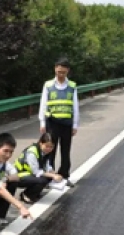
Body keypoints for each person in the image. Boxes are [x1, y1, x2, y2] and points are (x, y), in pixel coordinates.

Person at [38, 57, 79, 187]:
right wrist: (42, 123)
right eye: (59, 71)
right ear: (55, 69)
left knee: (65, 151)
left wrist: (75, 124)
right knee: (50, 150)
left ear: (68, 71)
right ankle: (50, 175)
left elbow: (75, 107)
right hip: (52, 122)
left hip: (67, 123)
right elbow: (43, 104)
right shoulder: (48, 85)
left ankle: (64, 175)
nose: (61, 74)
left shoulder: (72, 86)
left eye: (63, 72)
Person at [14, 132, 63, 203]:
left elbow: (47, 167)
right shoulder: (32, 152)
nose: (49, 149)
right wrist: (53, 175)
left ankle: (34, 193)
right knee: (43, 180)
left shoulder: (44, 152)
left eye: (51, 147)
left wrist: (56, 174)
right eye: (47, 146)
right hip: (18, 176)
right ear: (41, 143)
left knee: (49, 177)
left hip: (28, 174)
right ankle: (26, 195)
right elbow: (36, 172)